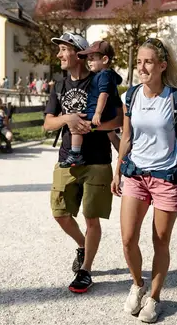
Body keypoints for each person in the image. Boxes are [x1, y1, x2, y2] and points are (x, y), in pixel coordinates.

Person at [111, 37, 177, 323]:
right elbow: (127, 136)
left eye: (148, 62)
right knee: (127, 239)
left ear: (161, 65)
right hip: (135, 174)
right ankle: (138, 284)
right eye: (138, 62)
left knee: (160, 241)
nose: (142, 68)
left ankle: (155, 298)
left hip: (167, 178)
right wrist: (118, 168)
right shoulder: (130, 96)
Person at [43, 32, 123, 294]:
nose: (59, 55)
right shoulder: (59, 85)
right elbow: (47, 123)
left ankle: (85, 270)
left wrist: (92, 126)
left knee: (92, 219)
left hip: (97, 161)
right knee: (60, 214)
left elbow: (119, 121)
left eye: (63, 50)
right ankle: (82, 245)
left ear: (78, 53)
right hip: (67, 159)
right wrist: (67, 120)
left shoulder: (101, 80)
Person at [60, 40, 123, 168]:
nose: (88, 62)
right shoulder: (108, 75)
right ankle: (125, 155)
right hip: (108, 112)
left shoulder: (103, 75)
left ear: (104, 59)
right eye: (88, 59)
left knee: (76, 126)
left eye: (92, 59)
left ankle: (75, 153)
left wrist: (97, 113)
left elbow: (103, 94)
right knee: (111, 133)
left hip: (98, 111)